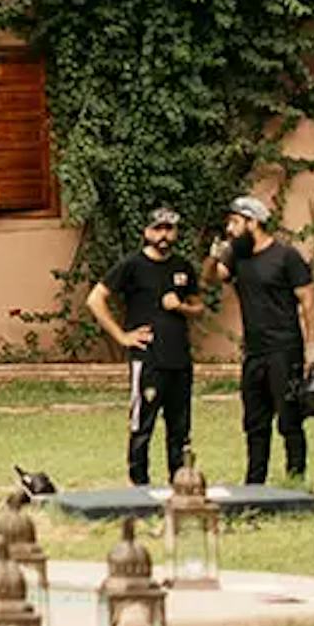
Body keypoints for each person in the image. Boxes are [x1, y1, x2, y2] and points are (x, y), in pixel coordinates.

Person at [209, 195, 314, 486]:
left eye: (235, 222)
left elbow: (309, 301)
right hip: (254, 351)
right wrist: (213, 257)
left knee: (289, 419)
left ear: (254, 222)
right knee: (255, 422)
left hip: (284, 350)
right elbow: (212, 279)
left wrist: (312, 347)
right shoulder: (238, 257)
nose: (230, 228)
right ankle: (254, 484)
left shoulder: (286, 257)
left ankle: (296, 480)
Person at [90, 208, 204, 487]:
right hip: (148, 359)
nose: (164, 235)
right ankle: (138, 484)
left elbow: (199, 306)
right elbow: (95, 299)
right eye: (158, 229)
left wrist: (182, 308)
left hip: (179, 359)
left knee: (180, 429)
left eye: (169, 229)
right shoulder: (132, 265)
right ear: (147, 232)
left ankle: (180, 483)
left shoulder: (183, 267)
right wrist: (122, 336)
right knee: (142, 425)